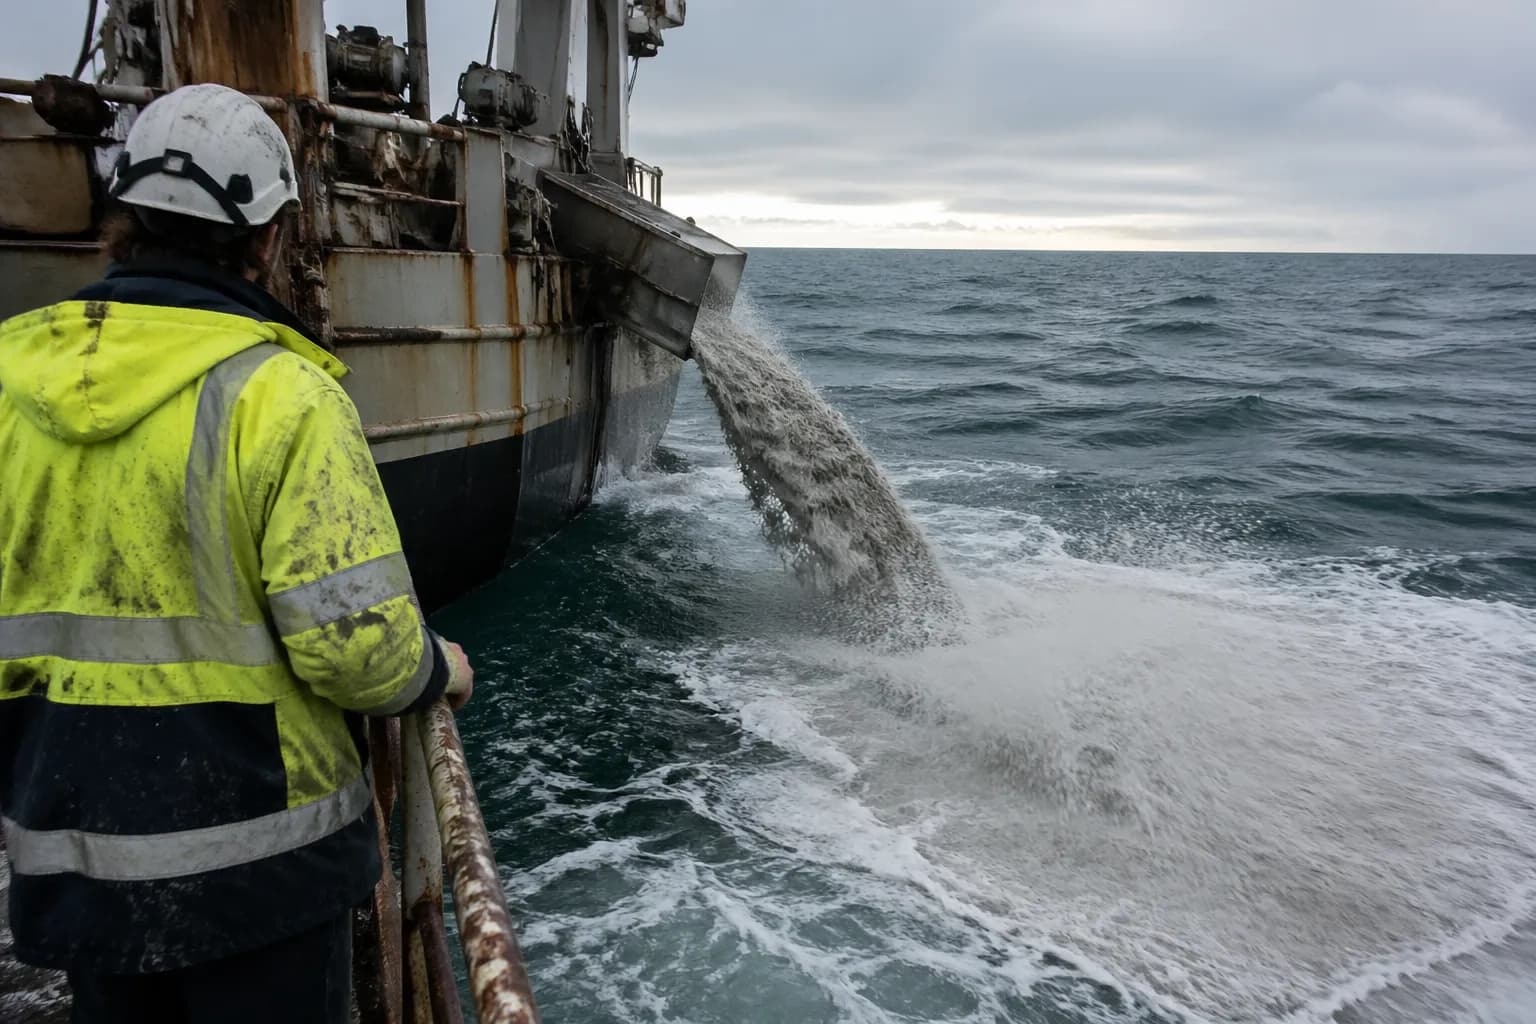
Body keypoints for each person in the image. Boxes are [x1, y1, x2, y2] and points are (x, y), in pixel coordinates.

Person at [0, 83, 473, 1023]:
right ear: (268, 237)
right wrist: (433, 670)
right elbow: (357, 646)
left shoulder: (11, 377)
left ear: (119, 220)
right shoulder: (282, 395)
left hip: (72, 853)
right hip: (260, 874)